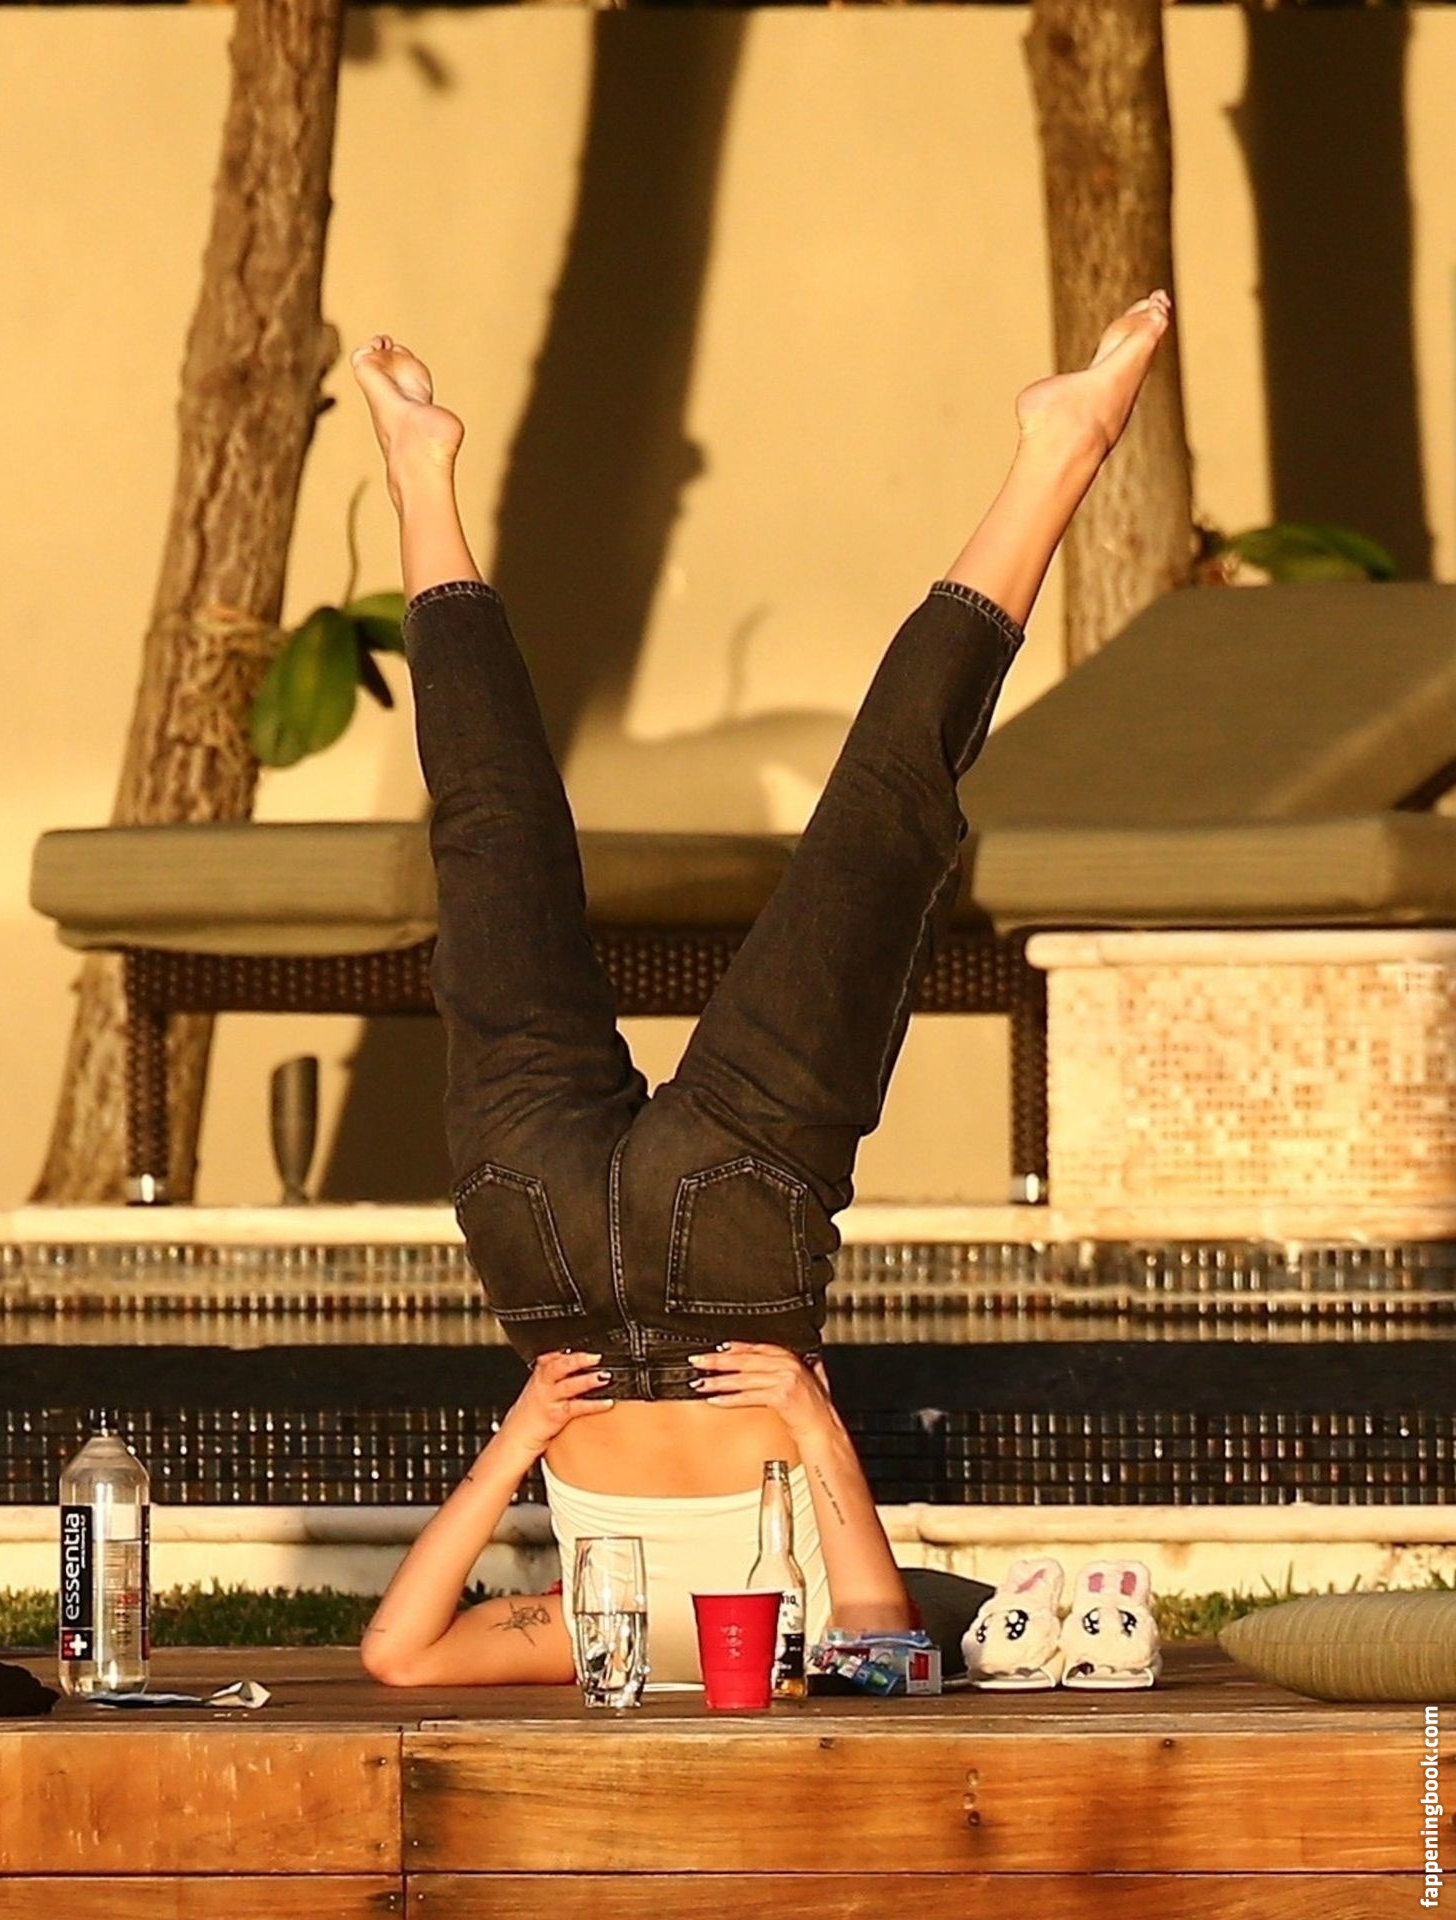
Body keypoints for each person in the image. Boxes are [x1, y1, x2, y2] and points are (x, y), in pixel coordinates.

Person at [353, 290, 1174, 1687]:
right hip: (711, 1252)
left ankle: (420, 474)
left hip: (554, 1273)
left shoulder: (590, 1639)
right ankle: (1059, 455)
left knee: (511, 839)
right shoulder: (778, 1642)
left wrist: (527, 1434)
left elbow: (398, 1657)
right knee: (864, 837)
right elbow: (884, 1645)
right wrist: (805, 1410)